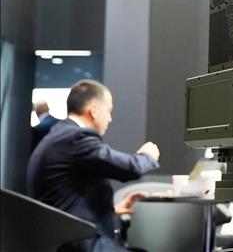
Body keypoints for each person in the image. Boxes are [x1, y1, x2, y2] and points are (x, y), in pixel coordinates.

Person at [27, 79, 161, 252]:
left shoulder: (60, 135)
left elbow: (67, 199)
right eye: (109, 111)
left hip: (64, 239)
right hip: (80, 244)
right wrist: (148, 155)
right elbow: (130, 168)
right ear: (94, 111)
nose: (110, 119)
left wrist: (112, 211)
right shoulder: (77, 137)